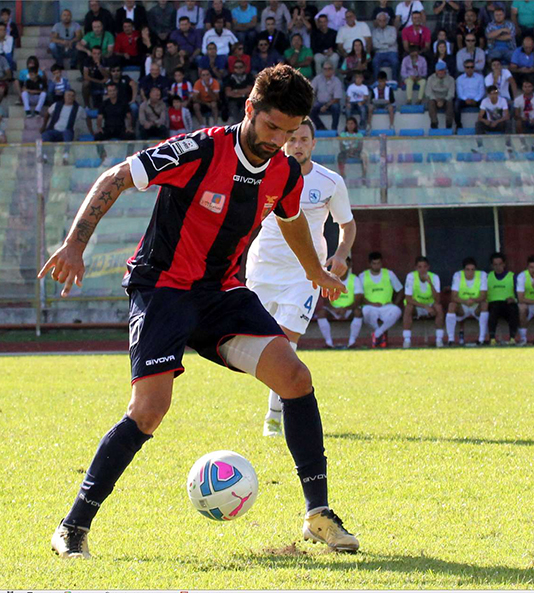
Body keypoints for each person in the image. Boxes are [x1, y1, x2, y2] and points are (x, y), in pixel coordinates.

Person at [39, 65, 360, 559]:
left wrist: (315, 270)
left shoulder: (284, 171)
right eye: (271, 126)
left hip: (221, 294)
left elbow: (291, 217)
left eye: (290, 131)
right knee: (149, 411)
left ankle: (318, 514)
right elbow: (116, 177)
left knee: (295, 377)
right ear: (250, 109)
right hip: (162, 289)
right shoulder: (199, 150)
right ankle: (73, 526)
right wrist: (74, 244)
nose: (278, 140)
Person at [246, 117, 355, 435]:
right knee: (259, 343)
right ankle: (277, 406)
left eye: (304, 140)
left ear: (313, 144)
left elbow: (347, 224)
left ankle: (274, 417)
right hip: (263, 269)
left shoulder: (330, 181)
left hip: (305, 274)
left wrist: (340, 255)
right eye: (292, 139)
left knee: (286, 342)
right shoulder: (264, 172)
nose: (297, 145)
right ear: (283, 142)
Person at [350, 252, 404, 348]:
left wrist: (394, 303)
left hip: (386, 306)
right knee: (365, 311)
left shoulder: (389, 274)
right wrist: (371, 303)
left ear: (381, 263)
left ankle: (377, 334)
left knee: (397, 311)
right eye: (374, 263)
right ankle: (379, 334)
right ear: (370, 264)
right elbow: (360, 295)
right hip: (370, 307)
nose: (376, 266)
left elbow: (400, 290)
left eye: (378, 263)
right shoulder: (363, 276)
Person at [402, 255, 446, 348]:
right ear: (416, 268)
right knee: (408, 307)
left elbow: (437, 299)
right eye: (420, 267)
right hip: (417, 306)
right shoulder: (411, 276)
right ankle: (407, 340)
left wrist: (430, 283)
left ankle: (439, 340)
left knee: (438, 307)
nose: (422, 269)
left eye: (425, 267)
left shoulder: (434, 277)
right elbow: (408, 298)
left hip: (430, 305)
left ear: (428, 267)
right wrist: (425, 307)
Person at [445, 257, 489, 346]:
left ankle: (481, 339)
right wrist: (465, 301)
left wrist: (473, 300)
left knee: (485, 304)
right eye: (468, 269)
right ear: (464, 270)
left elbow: (483, 296)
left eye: (473, 270)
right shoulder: (458, 275)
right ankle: (450, 340)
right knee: (451, 305)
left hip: (476, 305)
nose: (470, 272)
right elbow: (453, 296)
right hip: (462, 306)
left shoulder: (482, 275)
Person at [485, 252, 521, 345]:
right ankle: (492, 338)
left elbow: (520, 292)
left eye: (500, 264)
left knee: (513, 310)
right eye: (495, 265)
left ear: (504, 264)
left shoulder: (512, 276)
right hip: (493, 304)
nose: (498, 267)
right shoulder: (487, 277)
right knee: (493, 311)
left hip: (508, 303)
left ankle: (512, 338)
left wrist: (514, 299)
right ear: (492, 266)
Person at [426, 61, 456, 129]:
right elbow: (428, 92)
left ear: (445, 70)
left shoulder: (451, 79)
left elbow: (451, 93)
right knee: (431, 103)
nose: (441, 72)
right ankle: (434, 123)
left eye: (442, 70)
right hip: (434, 99)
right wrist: (436, 100)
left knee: (450, 103)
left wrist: (443, 100)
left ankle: (449, 124)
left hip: (446, 98)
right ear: (436, 71)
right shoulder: (430, 79)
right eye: (439, 70)